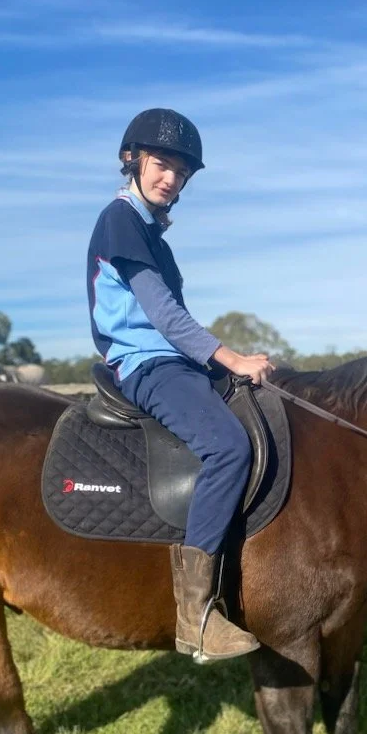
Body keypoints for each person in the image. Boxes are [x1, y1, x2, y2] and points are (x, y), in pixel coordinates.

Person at [86, 108, 274, 663]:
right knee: (227, 445)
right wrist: (230, 357)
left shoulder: (152, 234)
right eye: (163, 164)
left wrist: (220, 366)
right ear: (133, 160)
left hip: (172, 360)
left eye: (181, 172)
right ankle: (195, 619)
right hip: (145, 364)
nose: (171, 178)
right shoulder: (121, 219)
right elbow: (164, 316)